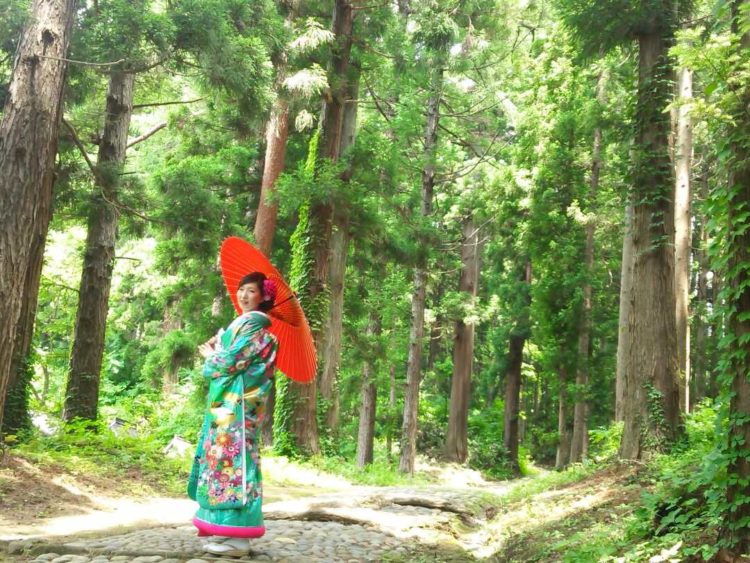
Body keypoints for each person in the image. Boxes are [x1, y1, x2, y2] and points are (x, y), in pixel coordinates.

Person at [188, 271, 278, 557]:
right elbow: (232, 358)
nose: (244, 295)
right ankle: (226, 531)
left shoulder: (254, 327)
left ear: (264, 296)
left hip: (237, 406)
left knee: (234, 463)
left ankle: (238, 537)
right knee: (225, 461)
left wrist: (212, 355)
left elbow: (230, 363)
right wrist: (222, 345)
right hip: (232, 405)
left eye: (251, 291)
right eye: (242, 290)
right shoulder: (246, 326)